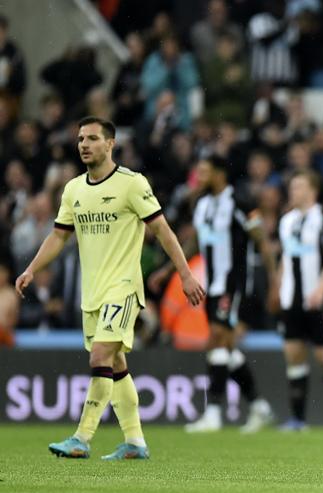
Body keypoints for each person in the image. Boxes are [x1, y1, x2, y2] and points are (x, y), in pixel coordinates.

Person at [15, 116, 205, 459]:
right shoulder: (73, 190)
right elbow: (58, 236)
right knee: (115, 364)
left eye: (92, 138)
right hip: (92, 293)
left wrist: (186, 274)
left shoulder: (132, 184)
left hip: (123, 287)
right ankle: (135, 442)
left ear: (110, 144)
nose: (84, 145)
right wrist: (31, 268)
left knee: (100, 355)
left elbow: (162, 230)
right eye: (80, 139)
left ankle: (81, 438)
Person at [149, 156, 276, 433]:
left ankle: (214, 413)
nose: (199, 177)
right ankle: (259, 406)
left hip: (234, 283)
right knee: (224, 347)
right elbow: (195, 242)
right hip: (213, 286)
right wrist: (168, 270)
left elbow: (263, 243)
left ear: (219, 174)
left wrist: (274, 282)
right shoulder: (202, 204)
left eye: (204, 172)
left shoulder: (240, 203)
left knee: (216, 339)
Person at [275, 168, 323, 430]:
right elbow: (285, 258)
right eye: (292, 187)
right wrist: (277, 287)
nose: (293, 192)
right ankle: (298, 419)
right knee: (294, 355)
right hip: (291, 300)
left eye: (299, 187)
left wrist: (321, 289)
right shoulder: (286, 221)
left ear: (313, 191)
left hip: (320, 300)